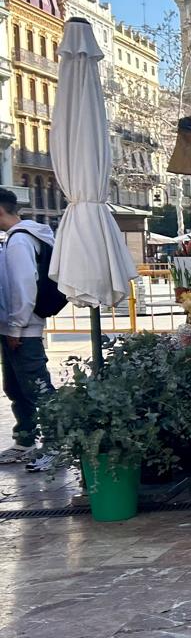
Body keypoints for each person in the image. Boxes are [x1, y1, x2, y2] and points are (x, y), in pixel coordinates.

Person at [0, 190, 56, 467]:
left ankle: (57, 445)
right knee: (16, 388)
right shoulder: (21, 238)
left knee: (37, 387)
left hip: (23, 329)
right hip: (15, 327)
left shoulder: (20, 241)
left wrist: (15, 326)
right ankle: (24, 439)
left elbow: (23, 287)